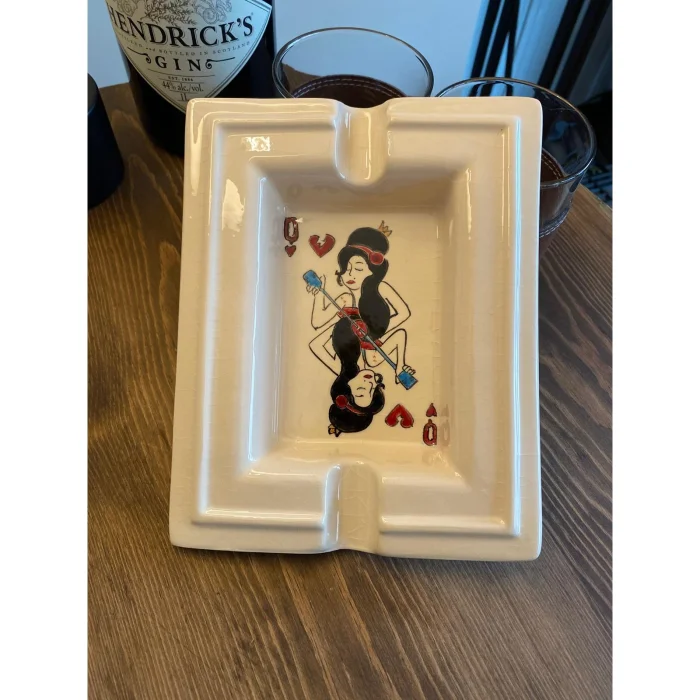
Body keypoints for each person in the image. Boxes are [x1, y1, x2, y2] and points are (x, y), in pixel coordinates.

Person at [305, 227, 415, 435]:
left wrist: (321, 298)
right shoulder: (374, 358)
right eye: (347, 268)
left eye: (357, 268)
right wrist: (397, 365)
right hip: (371, 335)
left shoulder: (340, 366)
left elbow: (316, 340)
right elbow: (401, 332)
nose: (349, 274)